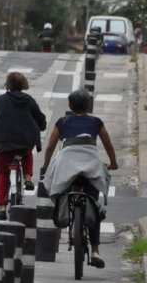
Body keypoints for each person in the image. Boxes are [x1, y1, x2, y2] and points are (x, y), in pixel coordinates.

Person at [41, 89, 118, 268]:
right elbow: (109, 145)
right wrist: (113, 163)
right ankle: (96, 251)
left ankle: (63, 213)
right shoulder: (97, 122)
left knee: (62, 191)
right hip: (90, 166)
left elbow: (50, 147)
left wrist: (46, 166)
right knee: (93, 206)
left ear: (69, 105)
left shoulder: (63, 122)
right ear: (88, 106)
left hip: (67, 166)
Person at [0, 71, 47, 220]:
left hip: (3, 142)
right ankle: (27, 178)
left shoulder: (1, 100)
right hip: (25, 141)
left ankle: (1, 207)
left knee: (3, 173)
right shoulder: (29, 100)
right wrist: (41, 126)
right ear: (23, 84)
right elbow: (40, 118)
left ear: (8, 84)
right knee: (27, 153)